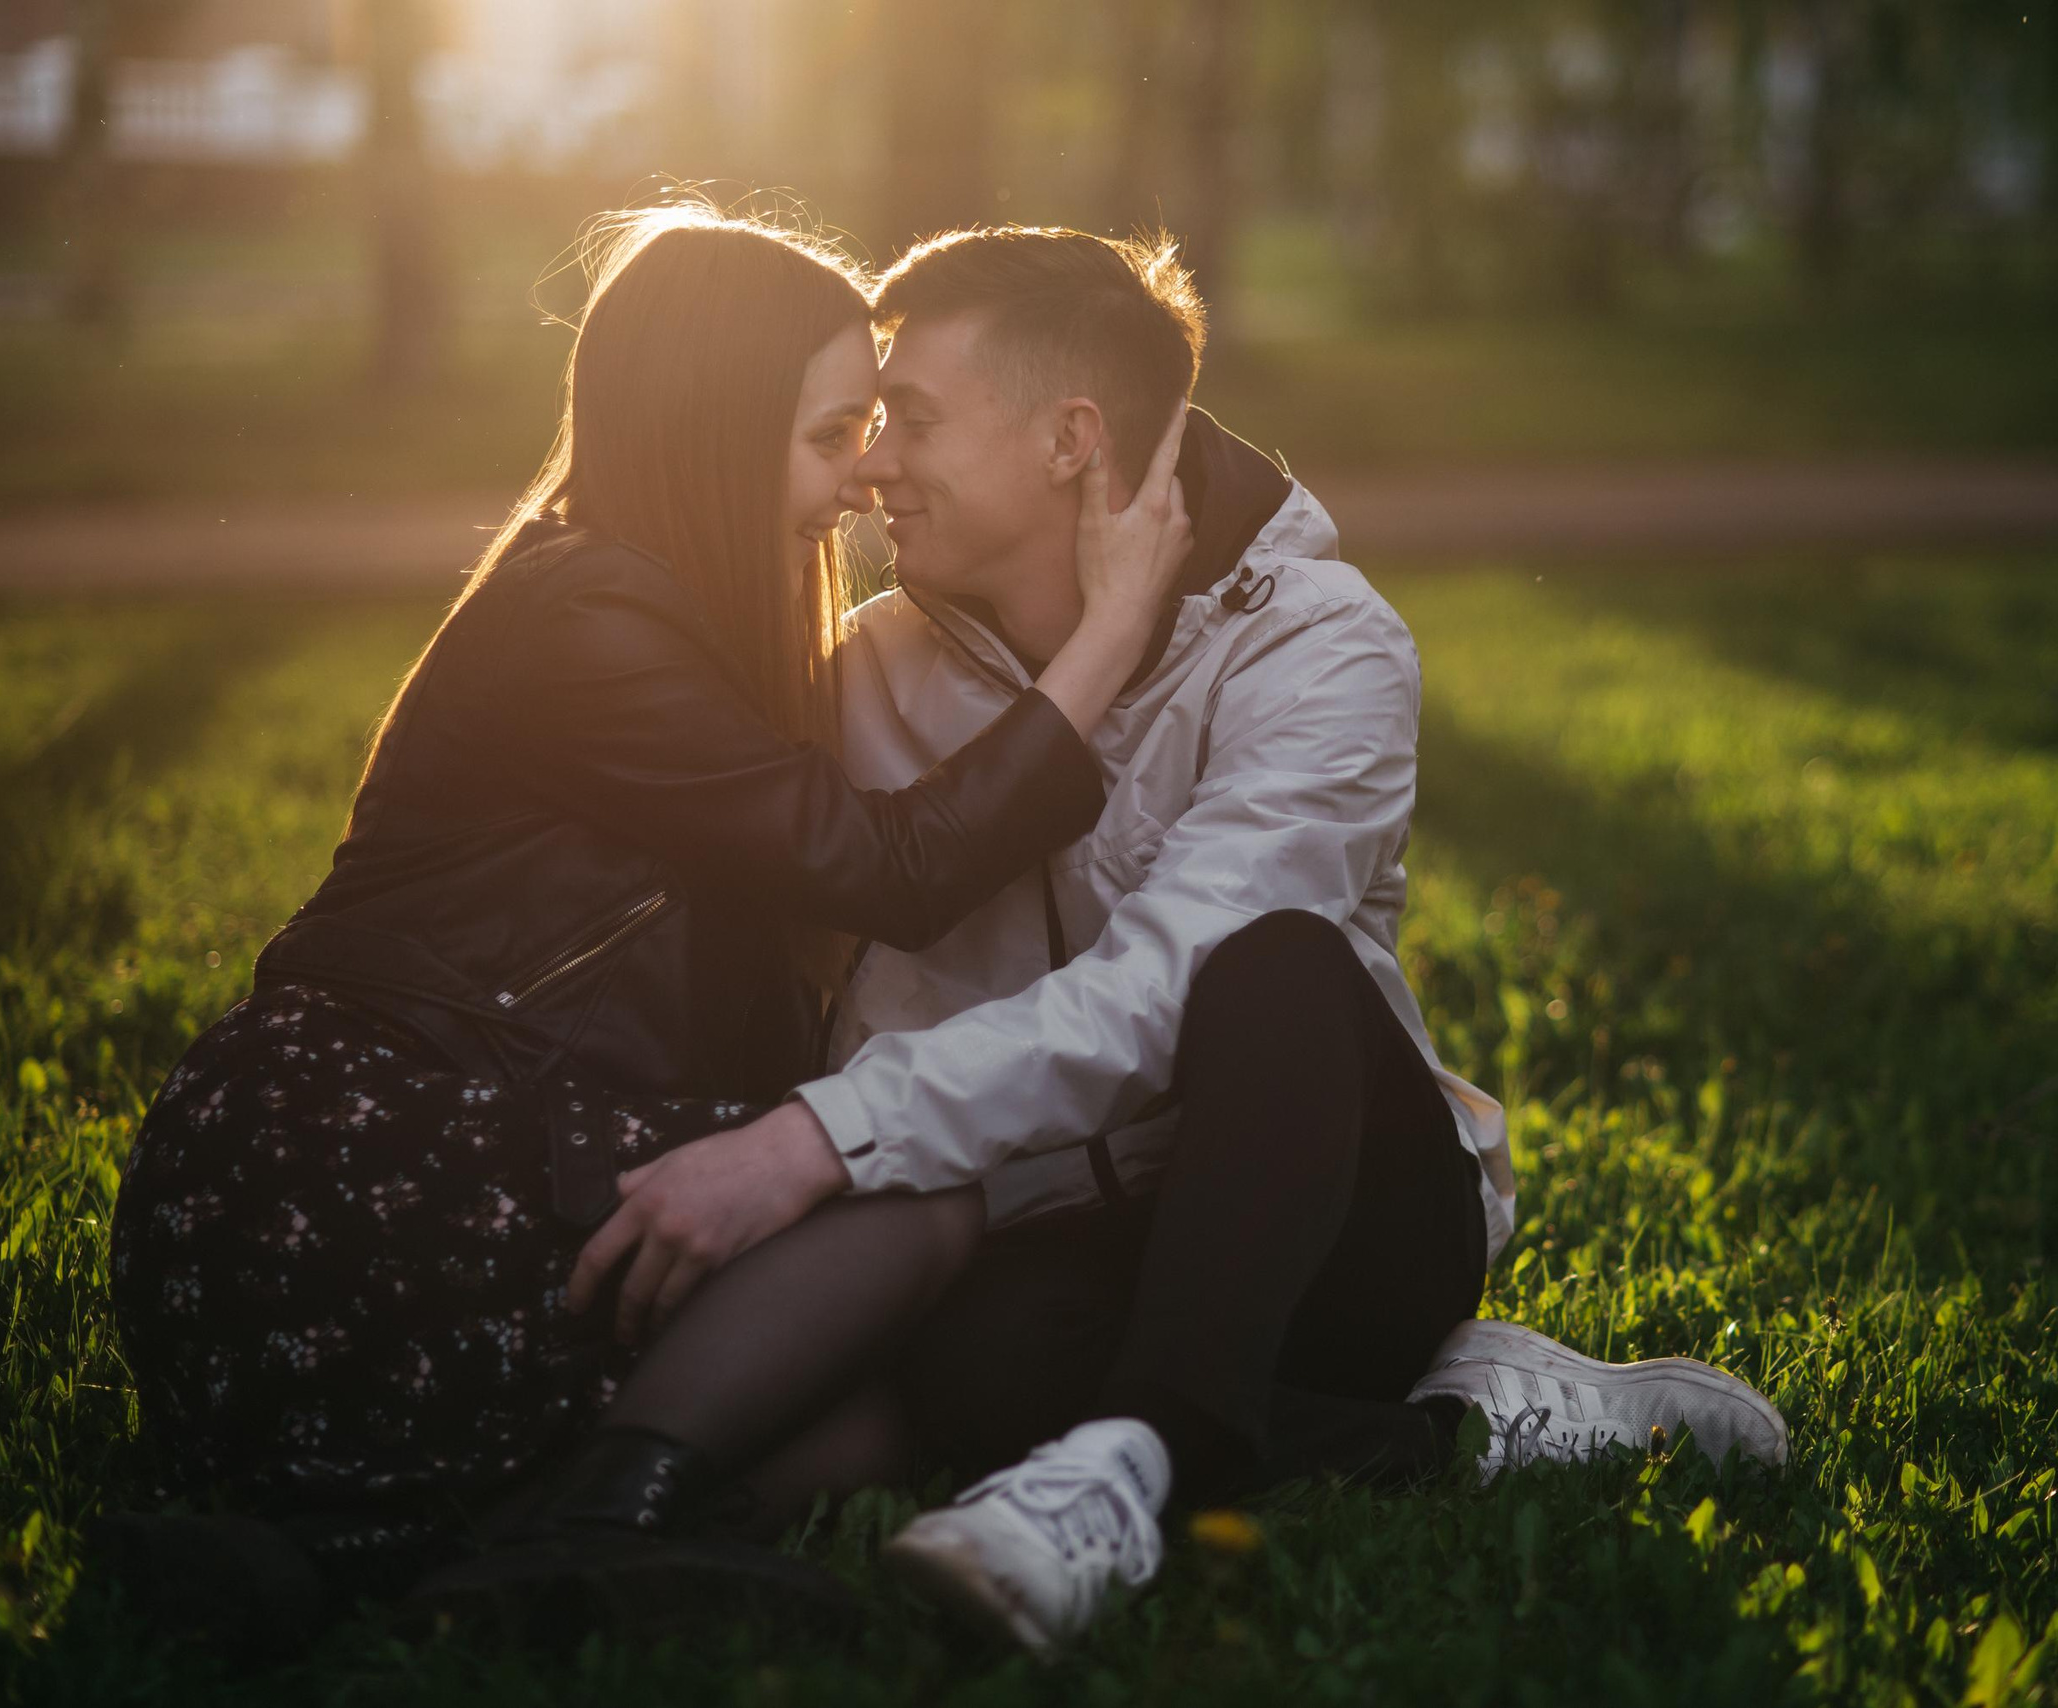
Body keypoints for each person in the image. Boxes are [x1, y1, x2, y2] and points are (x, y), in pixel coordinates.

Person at [699, 225, 1792, 1655]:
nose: (872, 462)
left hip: (1334, 1210)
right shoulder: (876, 670)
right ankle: (1467, 1425)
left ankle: (1128, 1468)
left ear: (1069, 441)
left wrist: (813, 1139)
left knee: (1267, 961)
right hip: (1073, 1224)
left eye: (913, 418)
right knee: (970, 1379)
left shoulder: (1321, 646)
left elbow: (1160, 999)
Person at [102, 203, 1195, 1609]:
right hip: (355, 1174)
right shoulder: (590, 619)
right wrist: (1106, 640)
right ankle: (576, 1530)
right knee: (915, 1192)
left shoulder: (651, 605)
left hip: (473, 1147)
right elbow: (895, 871)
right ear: (708, 427)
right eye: (830, 435)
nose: (864, 478)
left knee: (871, 1420)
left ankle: (454, 1560)